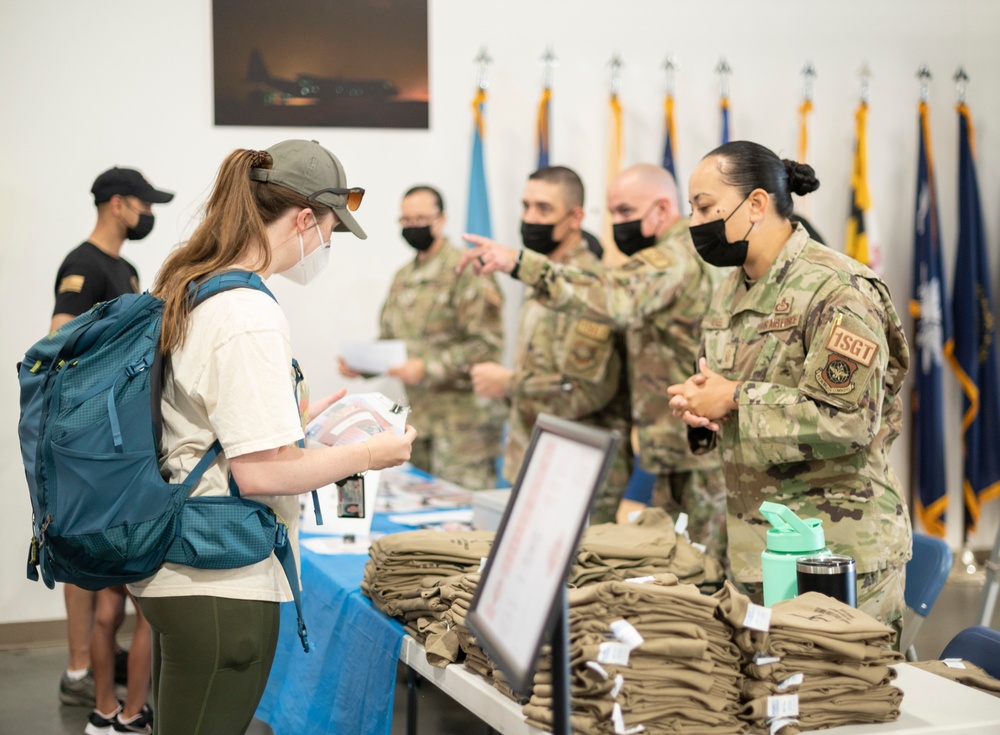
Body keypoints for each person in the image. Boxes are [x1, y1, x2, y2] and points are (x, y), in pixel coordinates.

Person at [129, 140, 416, 734]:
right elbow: (258, 474)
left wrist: (297, 427)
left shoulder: (198, 283)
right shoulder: (247, 313)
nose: (326, 249)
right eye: (331, 233)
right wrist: (367, 453)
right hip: (218, 579)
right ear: (306, 218)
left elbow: (213, 429)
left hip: (181, 564)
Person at [666, 140, 911, 633]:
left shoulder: (837, 289)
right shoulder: (731, 288)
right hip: (756, 549)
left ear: (756, 204)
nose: (693, 222)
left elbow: (847, 420)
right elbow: (742, 397)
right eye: (692, 208)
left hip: (838, 554)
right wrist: (707, 410)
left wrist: (734, 397)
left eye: (706, 207)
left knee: (840, 703)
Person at [460, 164, 728, 561]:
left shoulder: (671, 258)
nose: (617, 225)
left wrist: (520, 263)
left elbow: (611, 302)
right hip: (676, 443)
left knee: (702, 568)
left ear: (660, 209)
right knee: (683, 566)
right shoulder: (671, 257)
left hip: (690, 448)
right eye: (613, 213)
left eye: (624, 212)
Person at [51, 166, 173, 732]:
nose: (149, 215)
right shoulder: (85, 265)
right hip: (102, 452)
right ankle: (111, 704)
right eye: (145, 205)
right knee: (118, 596)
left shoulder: (124, 268)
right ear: (119, 203)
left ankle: (112, 711)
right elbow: (59, 350)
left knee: (116, 600)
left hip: (127, 444)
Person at [469, 166, 632, 521]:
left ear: (575, 217)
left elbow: (588, 391)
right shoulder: (542, 277)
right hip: (533, 455)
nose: (529, 218)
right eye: (526, 206)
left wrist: (508, 383)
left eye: (543, 209)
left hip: (577, 466)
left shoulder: (589, 287)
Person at [341, 185, 504, 489]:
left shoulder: (466, 269)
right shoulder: (404, 277)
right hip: (420, 424)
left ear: (441, 220)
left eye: (420, 219)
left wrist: (426, 367)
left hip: (464, 428)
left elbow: (487, 346)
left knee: (463, 521)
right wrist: (361, 364)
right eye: (406, 221)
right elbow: (391, 342)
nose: (413, 227)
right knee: (424, 516)